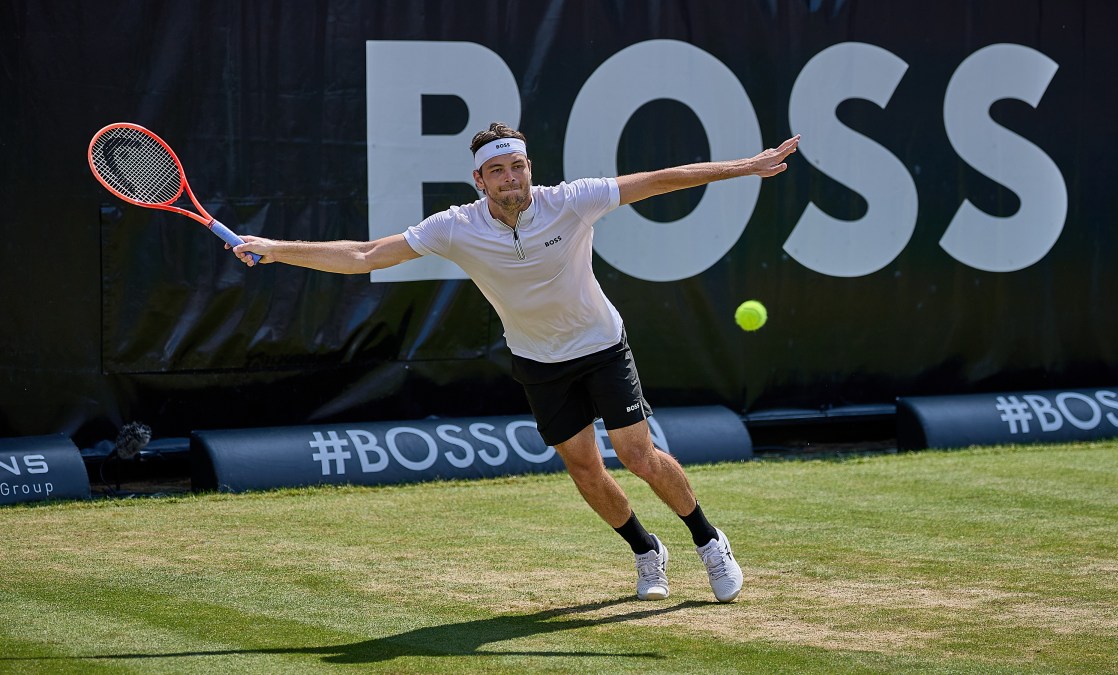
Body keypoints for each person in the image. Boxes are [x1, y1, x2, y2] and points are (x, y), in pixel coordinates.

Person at [231, 122, 800, 603]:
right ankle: (647, 551)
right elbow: (364, 255)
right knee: (582, 467)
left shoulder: (569, 201)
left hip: (602, 346)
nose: (512, 176)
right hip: (538, 362)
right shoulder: (455, 227)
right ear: (479, 180)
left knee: (637, 454)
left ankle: (708, 542)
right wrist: (277, 249)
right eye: (498, 170)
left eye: (518, 165)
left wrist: (746, 166)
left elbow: (659, 181)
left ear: (530, 168)